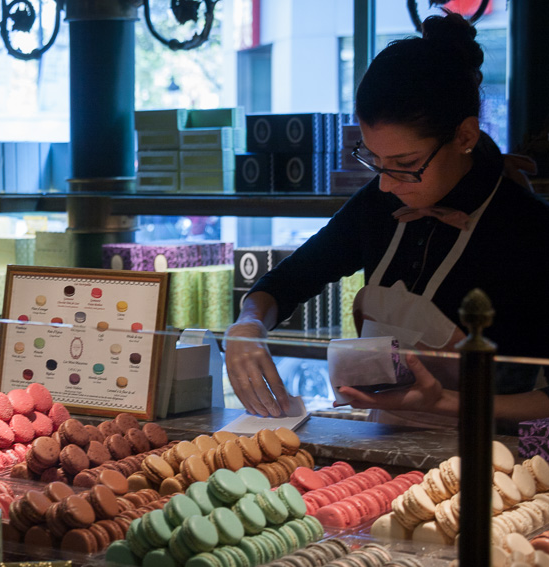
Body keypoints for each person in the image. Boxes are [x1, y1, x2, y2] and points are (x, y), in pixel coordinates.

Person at [225, 13, 549, 430]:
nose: (385, 185)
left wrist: (445, 401)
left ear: (465, 137)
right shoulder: (378, 206)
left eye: (405, 164)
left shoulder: (529, 231)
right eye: (374, 161)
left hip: (495, 459)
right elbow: (287, 282)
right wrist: (248, 323)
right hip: (387, 442)